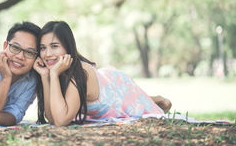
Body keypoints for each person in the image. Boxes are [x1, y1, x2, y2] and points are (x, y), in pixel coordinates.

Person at [33, 21, 172, 126]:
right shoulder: (58, 73)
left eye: (54, 46)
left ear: (68, 47)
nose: (47, 54)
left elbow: (61, 120)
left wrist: (53, 74)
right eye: (43, 48)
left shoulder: (79, 73)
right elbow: (52, 118)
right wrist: (46, 76)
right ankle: (151, 98)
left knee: (142, 107)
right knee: (129, 101)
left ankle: (155, 99)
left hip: (117, 86)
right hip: (107, 86)